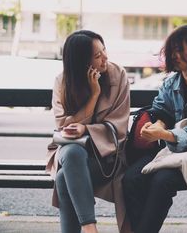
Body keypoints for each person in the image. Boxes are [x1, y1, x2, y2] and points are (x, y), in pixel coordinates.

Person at [122, 25, 187, 233]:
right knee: (131, 179)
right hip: (174, 152)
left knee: (162, 181)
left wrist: (164, 134)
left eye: (180, 49)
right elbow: (162, 111)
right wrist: (156, 126)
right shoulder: (171, 82)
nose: (174, 54)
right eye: (172, 49)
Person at [45, 30, 131, 233]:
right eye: (97, 55)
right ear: (81, 61)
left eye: (104, 50)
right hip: (71, 154)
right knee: (73, 152)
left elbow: (119, 125)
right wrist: (93, 96)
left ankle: (89, 228)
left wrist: (86, 128)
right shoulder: (63, 82)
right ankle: (90, 227)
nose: (105, 58)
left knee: (63, 177)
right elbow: (62, 124)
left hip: (107, 157)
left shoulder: (118, 75)